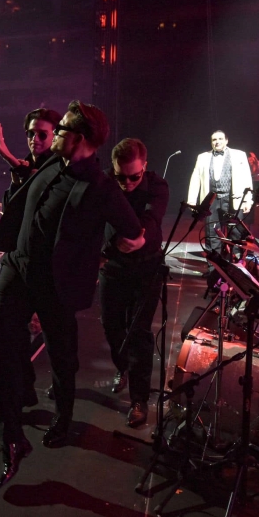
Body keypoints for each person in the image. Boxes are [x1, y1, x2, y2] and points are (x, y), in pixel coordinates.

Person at [0, 100, 143, 489]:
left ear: (80, 138)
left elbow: (134, 233)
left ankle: (62, 417)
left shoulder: (102, 187)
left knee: (62, 356)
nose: (53, 135)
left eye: (60, 131)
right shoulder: (49, 164)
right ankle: (12, 437)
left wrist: (115, 250)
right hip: (17, 269)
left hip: (54, 284)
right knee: (3, 350)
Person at [98, 139, 169, 428]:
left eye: (134, 177)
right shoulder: (105, 183)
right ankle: (122, 367)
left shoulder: (158, 186)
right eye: (121, 176)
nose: (127, 183)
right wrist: (112, 243)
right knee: (111, 325)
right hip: (114, 265)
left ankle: (140, 398)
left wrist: (140, 240)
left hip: (147, 268)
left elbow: (153, 218)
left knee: (139, 331)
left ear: (145, 167)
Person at [187, 130, 253, 255]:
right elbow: (195, 179)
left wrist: (248, 200)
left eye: (220, 139)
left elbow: (246, 178)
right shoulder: (202, 157)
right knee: (211, 232)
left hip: (233, 198)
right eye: (214, 140)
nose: (217, 142)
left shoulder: (239, 155)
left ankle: (235, 264)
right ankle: (213, 267)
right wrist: (192, 201)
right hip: (211, 199)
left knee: (236, 232)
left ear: (226, 141)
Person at [0, 107, 60, 202]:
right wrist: (15, 184)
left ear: (55, 136)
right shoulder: (26, 162)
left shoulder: (59, 165)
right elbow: (9, 211)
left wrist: (13, 161)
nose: (34, 139)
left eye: (42, 134)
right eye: (31, 133)